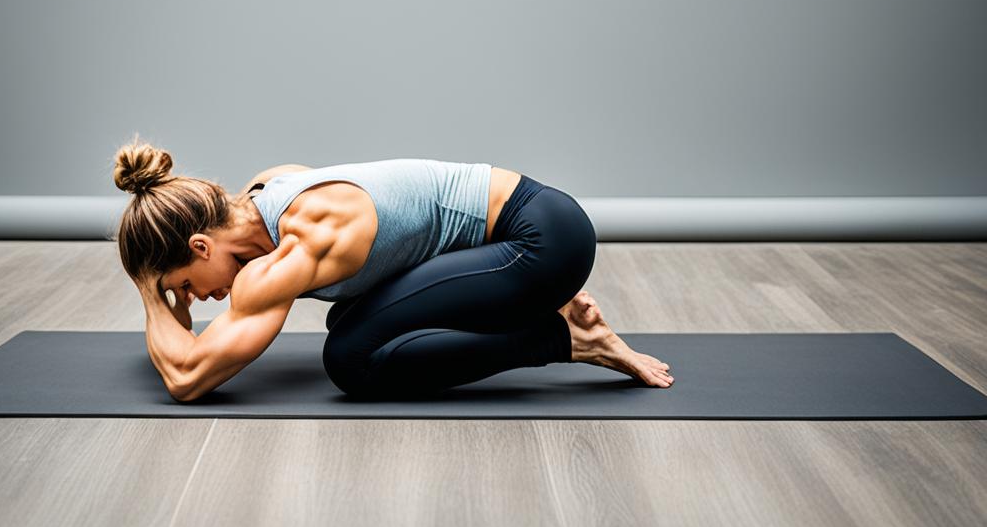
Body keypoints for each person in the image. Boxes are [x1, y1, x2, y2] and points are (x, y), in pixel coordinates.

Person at [113, 135, 674, 401]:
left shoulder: (296, 243)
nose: (195, 300)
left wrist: (145, 291)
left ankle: (568, 339)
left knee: (350, 360)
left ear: (201, 246)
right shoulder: (263, 192)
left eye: (182, 285)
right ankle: (550, 315)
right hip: (531, 227)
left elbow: (185, 379)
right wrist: (159, 287)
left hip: (544, 242)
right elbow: (405, 242)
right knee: (351, 322)